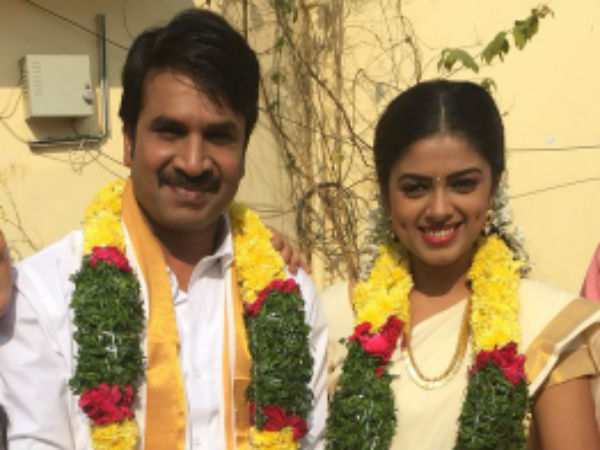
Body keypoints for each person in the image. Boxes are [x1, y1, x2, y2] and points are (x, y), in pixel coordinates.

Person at [0, 9, 327, 450]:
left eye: (219, 136)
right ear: (128, 141)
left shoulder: (288, 294)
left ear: (243, 151)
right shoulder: (46, 292)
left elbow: (312, 439)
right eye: (170, 132)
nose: (193, 162)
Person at [322, 80, 600, 450]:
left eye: (463, 184)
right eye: (415, 188)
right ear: (386, 194)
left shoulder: (545, 325)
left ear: (493, 187)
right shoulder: (334, 316)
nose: (439, 209)